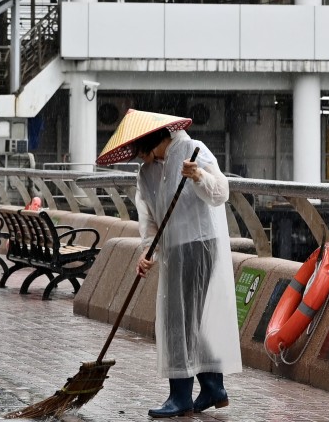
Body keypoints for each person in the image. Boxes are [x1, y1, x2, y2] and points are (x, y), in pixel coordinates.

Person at [96, 109, 242, 418]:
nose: (138, 157)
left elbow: (220, 193)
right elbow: (149, 219)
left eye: (139, 150)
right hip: (173, 249)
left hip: (199, 244)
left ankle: (181, 396)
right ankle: (213, 386)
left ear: (152, 141)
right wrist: (147, 251)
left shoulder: (192, 151)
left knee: (179, 318)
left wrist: (198, 175)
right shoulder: (145, 173)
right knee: (188, 317)